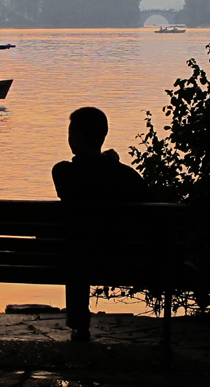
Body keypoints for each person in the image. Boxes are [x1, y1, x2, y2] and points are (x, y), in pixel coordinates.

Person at [52, 106, 152, 342]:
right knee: (80, 246)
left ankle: (79, 324)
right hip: (124, 258)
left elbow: (85, 174)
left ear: (76, 137)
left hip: (75, 258)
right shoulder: (127, 177)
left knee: (76, 246)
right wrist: (109, 161)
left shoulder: (63, 173)